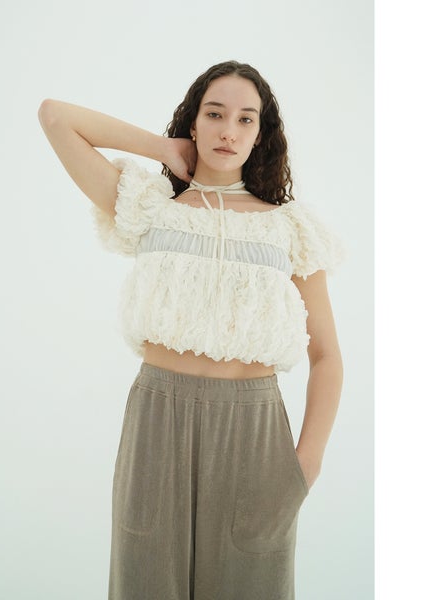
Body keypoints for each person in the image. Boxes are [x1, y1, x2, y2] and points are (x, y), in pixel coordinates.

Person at [38, 60, 343, 600]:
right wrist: (162, 148)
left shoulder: (290, 228)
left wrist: (307, 463)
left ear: (261, 134)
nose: (229, 131)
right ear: (193, 123)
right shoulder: (149, 207)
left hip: (255, 431)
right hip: (159, 421)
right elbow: (55, 116)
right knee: (146, 583)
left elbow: (328, 357)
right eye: (215, 114)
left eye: (246, 119)